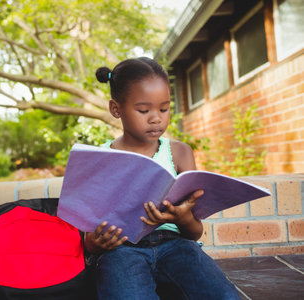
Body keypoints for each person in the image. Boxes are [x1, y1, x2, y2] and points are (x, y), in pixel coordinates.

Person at [83, 57, 241, 300]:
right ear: (116, 109)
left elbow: (195, 233)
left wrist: (184, 217)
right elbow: (88, 238)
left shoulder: (179, 153)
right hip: (122, 250)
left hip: (176, 244)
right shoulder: (100, 158)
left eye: (164, 108)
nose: (156, 118)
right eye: (144, 110)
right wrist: (95, 243)